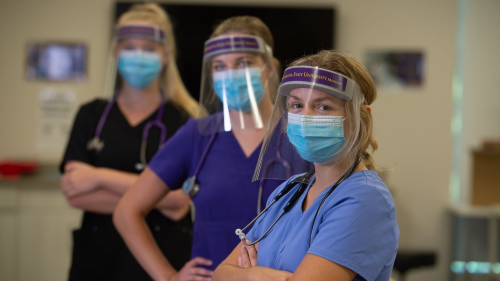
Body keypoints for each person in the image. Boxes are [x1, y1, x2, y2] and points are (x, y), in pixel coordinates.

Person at [113, 16, 286, 281]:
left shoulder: (299, 135)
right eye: (220, 65)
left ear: (270, 67)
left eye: (244, 63)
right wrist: (169, 277)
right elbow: (127, 212)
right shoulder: (198, 136)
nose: (231, 74)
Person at [213, 50, 400, 281]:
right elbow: (220, 274)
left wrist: (250, 274)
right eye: (296, 105)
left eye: (323, 107)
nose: (306, 117)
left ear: (360, 118)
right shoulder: (291, 189)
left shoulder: (365, 199)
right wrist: (261, 277)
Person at [60, 4, 199, 280]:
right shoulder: (92, 115)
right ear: (116, 51)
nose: (139, 56)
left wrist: (98, 176)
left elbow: (181, 200)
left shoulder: (186, 120)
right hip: (97, 259)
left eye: (149, 48)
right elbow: (76, 193)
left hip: (163, 259)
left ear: (166, 54)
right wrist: (157, 199)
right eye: (130, 47)